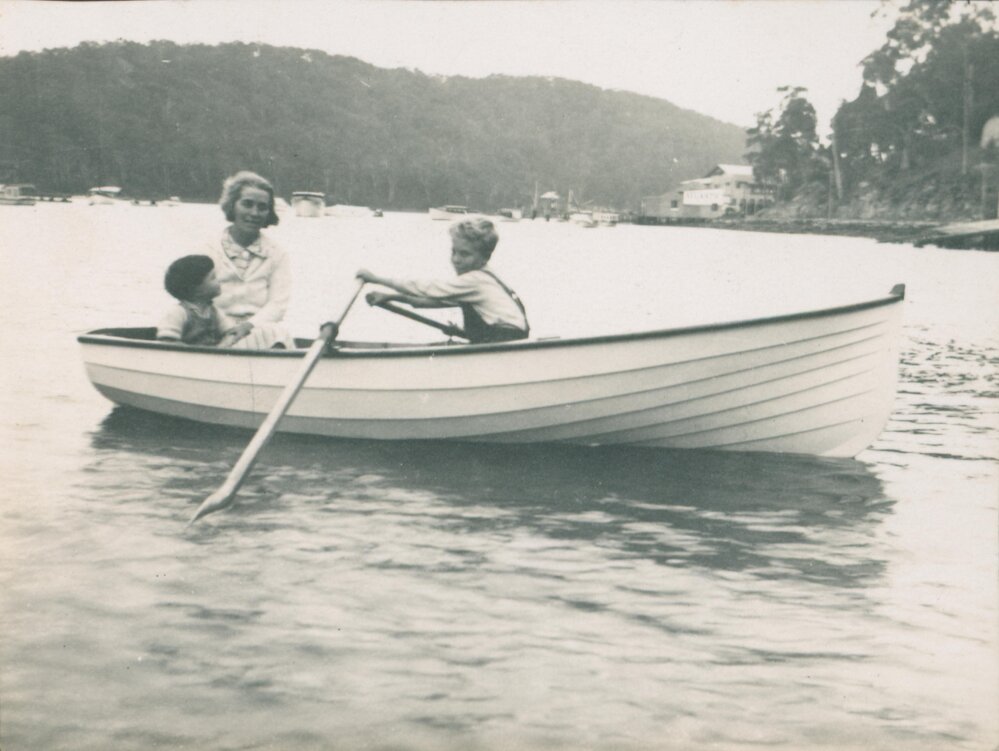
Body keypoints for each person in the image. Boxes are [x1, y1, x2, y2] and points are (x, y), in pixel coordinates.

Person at [356, 217, 529, 343]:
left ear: (485, 257)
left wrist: (375, 279)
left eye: (465, 254)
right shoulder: (482, 279)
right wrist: (390, 297)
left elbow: (426, 288)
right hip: (501, 341)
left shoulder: (475, 281)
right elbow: (429, 301)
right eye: (454, 252)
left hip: (505, 341)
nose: (456, 260)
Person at [203, 171, 292, 347]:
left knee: (278, 332)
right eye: (247, 204)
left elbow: (278, 305)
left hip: (258, 331)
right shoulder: (208, 250)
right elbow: (196, 299)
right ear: (232, 205)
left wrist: (248, 326)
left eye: (262, 207)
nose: (254, 213)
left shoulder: (277, 254)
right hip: (215, 331)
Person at [156, 254, 294, 349]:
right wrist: (196, 353)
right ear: (196, 289)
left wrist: (241, 332)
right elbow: (167, 341)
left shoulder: (213, 311)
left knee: (274, 331)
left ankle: (270, 359)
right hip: (201, 360)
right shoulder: (179, 312)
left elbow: (230, 332)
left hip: (215, 354)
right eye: (213, 278)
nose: (219, 281)